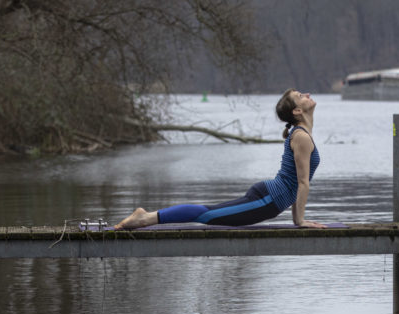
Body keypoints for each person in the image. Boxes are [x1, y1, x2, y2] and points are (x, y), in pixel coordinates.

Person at [114, 89, 325, 230]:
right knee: (207, 215)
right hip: (266, 200)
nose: (307, 94)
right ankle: (146, 218)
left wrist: (299, 221)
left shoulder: (301, 134)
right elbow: (302, 183)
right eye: (301, 95)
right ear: (297, 111)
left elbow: (299, 183)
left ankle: (146, 217)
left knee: (209, 214)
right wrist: (299, 221)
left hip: (269, 198)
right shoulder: (301, 136)